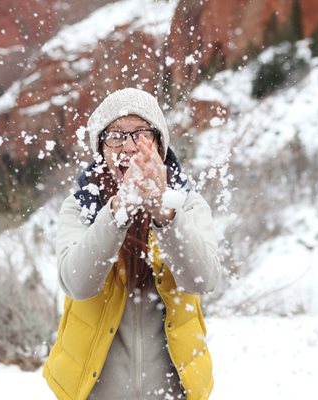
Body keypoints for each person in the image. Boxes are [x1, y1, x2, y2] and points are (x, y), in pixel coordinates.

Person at [43, 88, 221, 400]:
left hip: (172, 393)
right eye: (115, 135)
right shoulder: (81, 207)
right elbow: (78, 284)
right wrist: (118, 211)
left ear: (159, 145)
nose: (128, 146)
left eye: (141, 134)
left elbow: (202, 279)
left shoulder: (187, 205)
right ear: (101, 148)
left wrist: (163, 213)